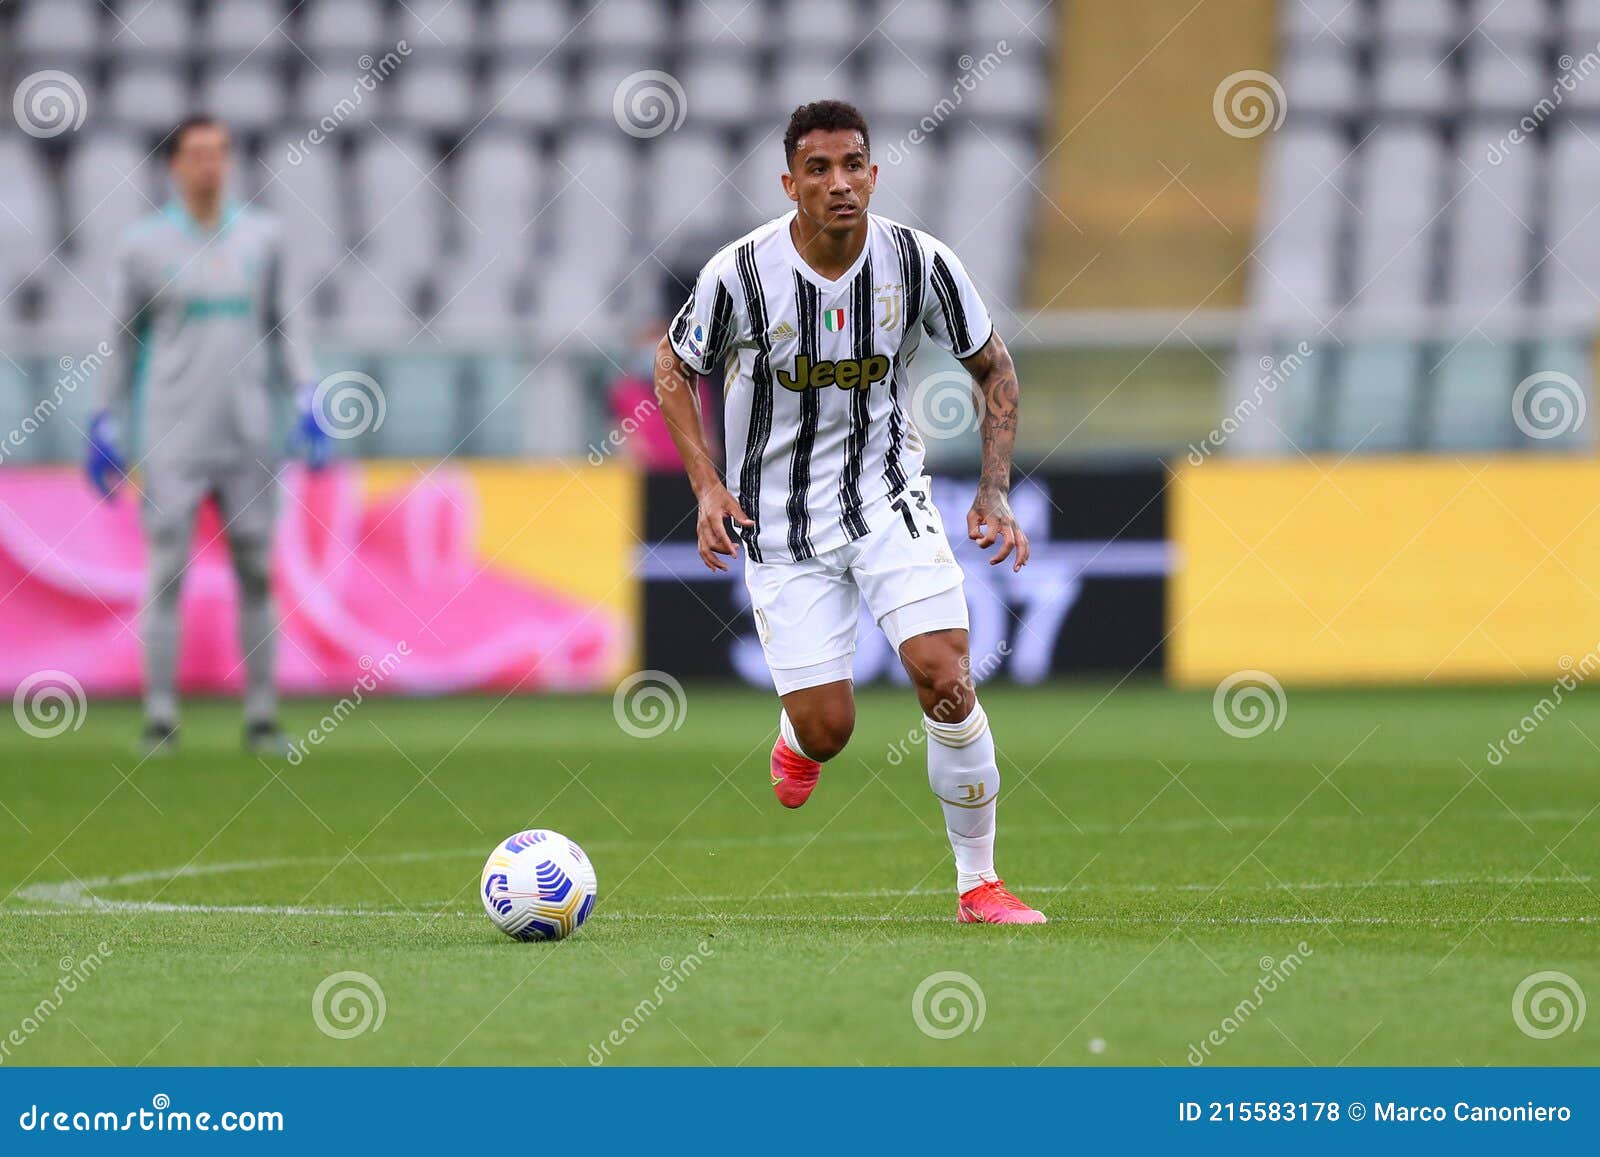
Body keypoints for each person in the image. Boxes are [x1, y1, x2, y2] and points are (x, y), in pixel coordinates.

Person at [653, 101, 1043, 924]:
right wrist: (706, 486)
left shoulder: (919, 262)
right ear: (789, 183)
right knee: (829, 728)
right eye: (820, 170)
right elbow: (672, 366)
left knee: (946, 675)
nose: (841, 183)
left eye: (855, 165)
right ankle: (800, 741)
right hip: (780, 525)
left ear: (874, 173)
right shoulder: (740, 274)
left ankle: (979, 883)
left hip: (887, 498)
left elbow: (994, 367)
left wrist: (995, 488)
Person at [86, 115, 329, 756]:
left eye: (219, 152)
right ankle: (161, 716)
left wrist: (307, 392)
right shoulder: (143, 247)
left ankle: (261, 716)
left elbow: (288, 325)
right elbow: (122, 337)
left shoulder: (263, 238)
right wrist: (105, 415)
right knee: (166, 572)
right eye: (196, 154)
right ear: (174, 166)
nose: (209, 164)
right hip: (172, 436)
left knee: (256, 570)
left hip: (250, 432)